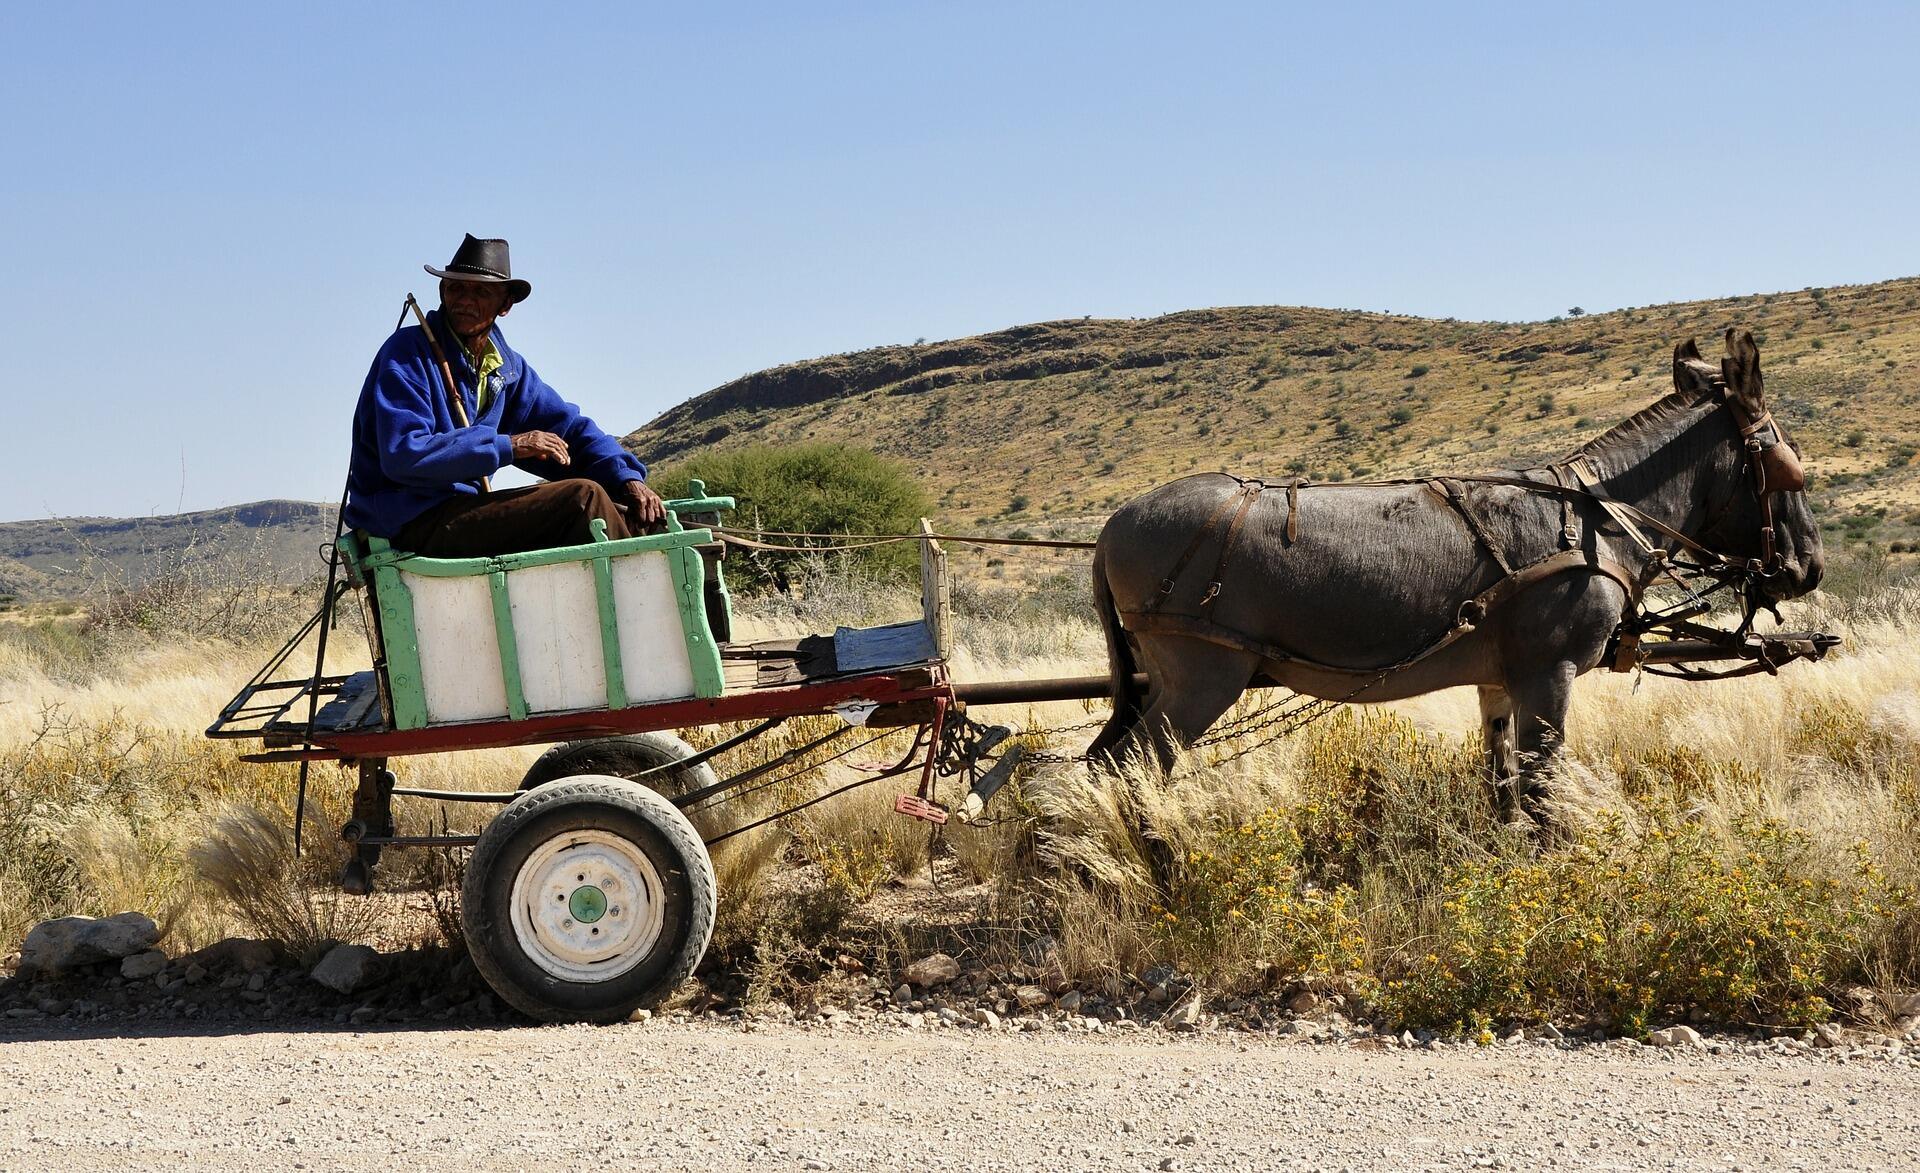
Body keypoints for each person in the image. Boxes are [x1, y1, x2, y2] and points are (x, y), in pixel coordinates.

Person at [344, 234, 666, 556]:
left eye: (481, 291)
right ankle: (642, 596)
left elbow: (570, 430)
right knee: (583, 500)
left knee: (641, 515)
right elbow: (404, 453)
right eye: (456, 288)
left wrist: (627, 479)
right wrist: (509, 445)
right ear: (442, 292)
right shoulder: (406, 355)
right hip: (408, 521)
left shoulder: (506, 368)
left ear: (506, 304)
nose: (465, 301)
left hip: (461, 511)